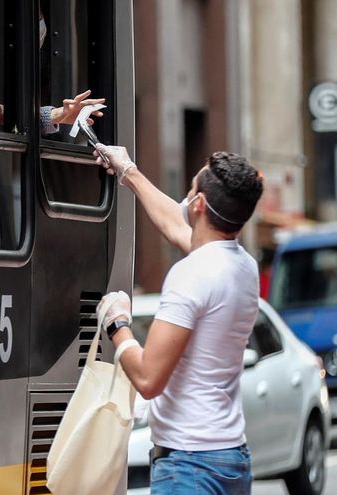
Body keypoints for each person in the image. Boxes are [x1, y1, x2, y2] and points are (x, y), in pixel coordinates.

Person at [94, 145, 264, 494]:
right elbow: (176, 226)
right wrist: (129, 172)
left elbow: (148, 378)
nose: (185, 198)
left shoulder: (191, 274)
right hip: (231, 458)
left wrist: (117, 324)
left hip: (189, 466)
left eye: (190, 190)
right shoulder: (244, 267)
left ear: (199, 205)